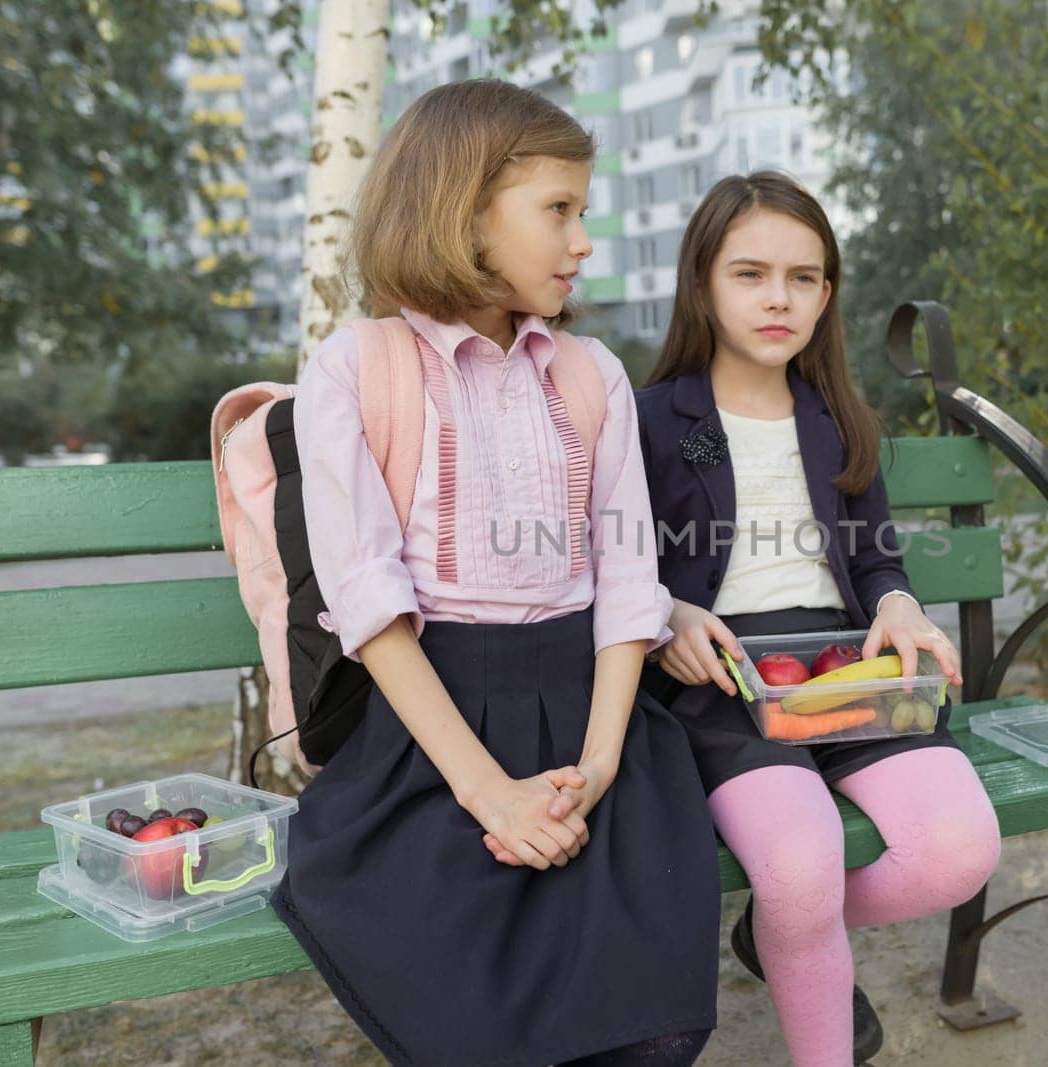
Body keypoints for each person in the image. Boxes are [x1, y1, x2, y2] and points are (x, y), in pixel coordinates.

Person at [273, 80, 718, 1067]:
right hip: (431, 734)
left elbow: (627, 579)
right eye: (558, 209)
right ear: (463, 211)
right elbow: (370, 604)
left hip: (594, 716)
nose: (582, 240)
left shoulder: (589, 372)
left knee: (646, 1015)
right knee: (471, 1007)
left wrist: (597, 767)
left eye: (581, 211)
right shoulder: (356, 367)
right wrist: (492, 794)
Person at [633, 171, 1002, 1065]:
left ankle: (780, 934)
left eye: (804, 278)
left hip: (845, 669)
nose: (778, 298)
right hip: (721, 681)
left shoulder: (839, 420)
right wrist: (664, 614)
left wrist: (902, 605)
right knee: (800, 863)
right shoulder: (648, 421)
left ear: (827, 294)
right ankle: (803, 949)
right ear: (702, 286)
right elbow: (616, 568)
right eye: (750, 274)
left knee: (959, 848)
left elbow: (875, 561)